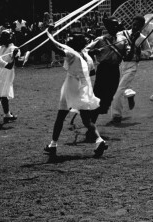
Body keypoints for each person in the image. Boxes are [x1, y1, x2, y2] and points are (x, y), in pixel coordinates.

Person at [43, 30, 108, 158]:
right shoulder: (87, 56)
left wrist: (48, 34)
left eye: (71, 41)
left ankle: (53, 144)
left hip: (71, 86)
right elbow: (92, 73)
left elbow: (55, 49)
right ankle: (99, 140)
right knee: (86, 119)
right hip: (83, 87)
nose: (68, 43)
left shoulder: (72, 54)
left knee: (61, 116)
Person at [86, 18, 123, 123]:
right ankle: (91, 124)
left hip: (115, 70)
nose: (116, 27)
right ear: (109, 27)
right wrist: (94, 51)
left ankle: (92, 117)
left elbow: (127, 55)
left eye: (117, 25)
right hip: (103, 70)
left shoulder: (122, 40)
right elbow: (85, 50)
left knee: (109, 96)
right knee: (98, 96)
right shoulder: (100, 39)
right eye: (114, 25)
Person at [110, 17, 146, 123]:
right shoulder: (122, 34)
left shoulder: (143, 38)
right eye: (133, 24)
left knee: (118, 90)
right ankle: (130, 94)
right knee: (119, 87)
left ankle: (116, 115)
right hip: (120, 64)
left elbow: (148, 52)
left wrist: (140, 52)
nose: (135, 27)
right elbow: (117, 42)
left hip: (132, 66)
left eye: (138, 25)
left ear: (141, 26)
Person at [0, 30, 19, 125]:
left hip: (3, 74)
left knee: (4, 95)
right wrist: (15, 56)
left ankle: (7, 114)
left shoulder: (13, 48)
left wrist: (16, 55)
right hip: (3, 73)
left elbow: (18, 60)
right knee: (1, 95)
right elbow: (14, 63)